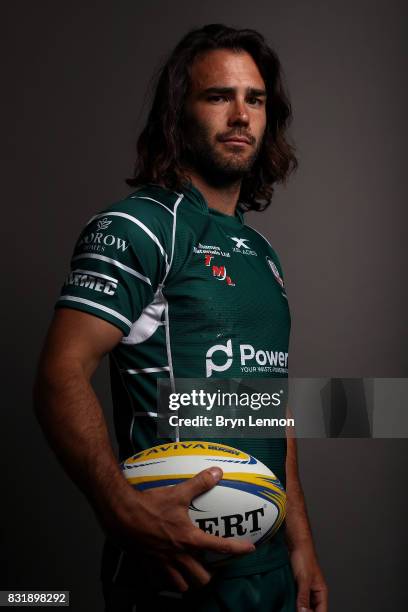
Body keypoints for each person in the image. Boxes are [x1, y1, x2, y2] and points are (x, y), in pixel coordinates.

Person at [34, 23, 328, 612]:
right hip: (175, 571)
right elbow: (59, 375)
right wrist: (120, 508)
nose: (242, 115)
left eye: (256, 99)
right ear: (179, 113)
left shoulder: (262, 253)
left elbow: (267, 404)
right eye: (219, 96)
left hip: (267, 573)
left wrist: (301, 544)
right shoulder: (138, 226)